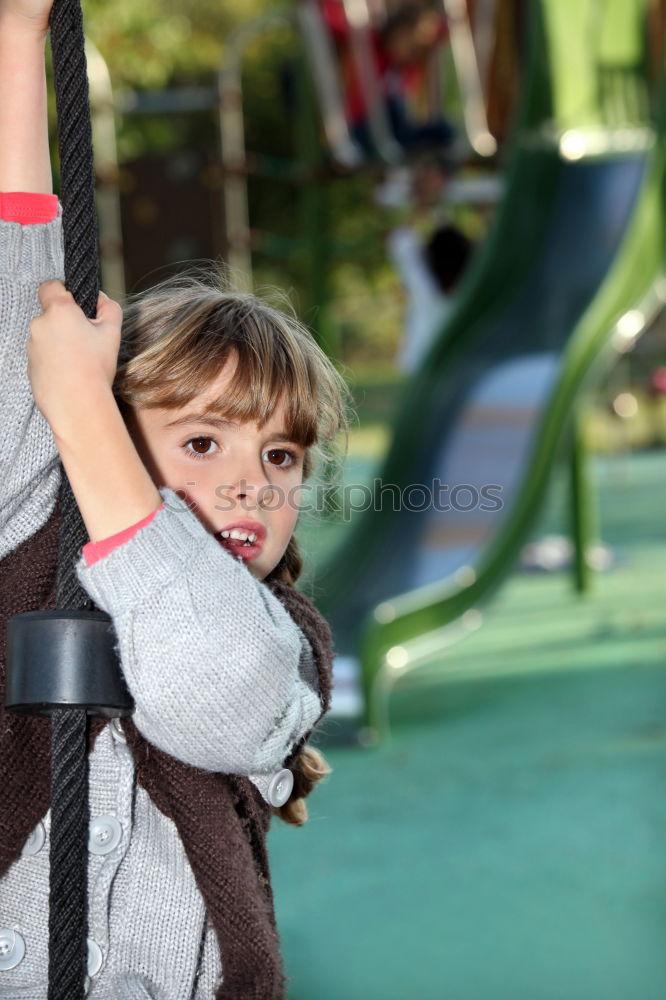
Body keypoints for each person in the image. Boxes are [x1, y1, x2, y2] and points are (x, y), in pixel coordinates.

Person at [0, 1, 351, 997]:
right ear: (85, 436)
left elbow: (212, 688)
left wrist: (97, 433)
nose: (253, 479)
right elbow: (9, 303)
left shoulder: (286, 639)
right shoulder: (26, 531)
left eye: (282, 456)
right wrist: (16, 42)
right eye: (203, 441)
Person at [389, 217, 473, 373]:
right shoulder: (475, 289)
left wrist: (419, 208)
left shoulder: (423, 286)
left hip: (421, 366)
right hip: (466, 366)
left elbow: (401, 243)